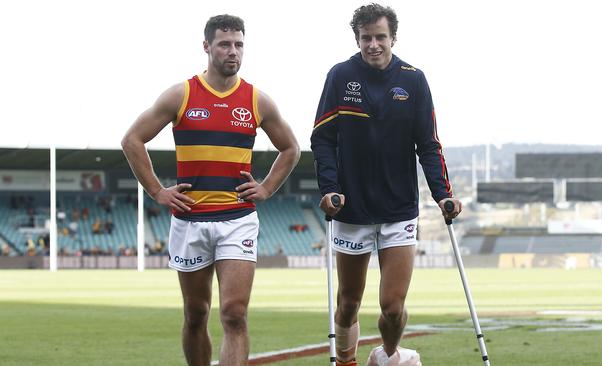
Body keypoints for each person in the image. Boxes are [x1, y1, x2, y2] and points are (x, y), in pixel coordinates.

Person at [121, 14, 300, 366]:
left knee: (234, 314)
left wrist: (266, 188)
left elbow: (291, 148)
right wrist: (157, 191)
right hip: (190, 221)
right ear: (207, 47)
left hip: (238, 220)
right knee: (196, 314)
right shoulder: (181, 94)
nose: (233, 52)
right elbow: (132, 140)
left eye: (238, 45)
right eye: (224, 44)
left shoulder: (256, 100)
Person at [310, 4, 462, 366]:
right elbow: (322, 139)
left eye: (380, 37)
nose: (373, 44)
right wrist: (329, 188)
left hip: (398, 210)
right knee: (348, 302)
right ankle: (347, 361)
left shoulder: (413, 79)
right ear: (357, 39)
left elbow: (428, 144)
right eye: (366, 38)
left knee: (393, 308)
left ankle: (388, 355)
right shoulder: (340, 76)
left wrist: (443, 195)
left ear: (393, 37)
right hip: (352, 209)